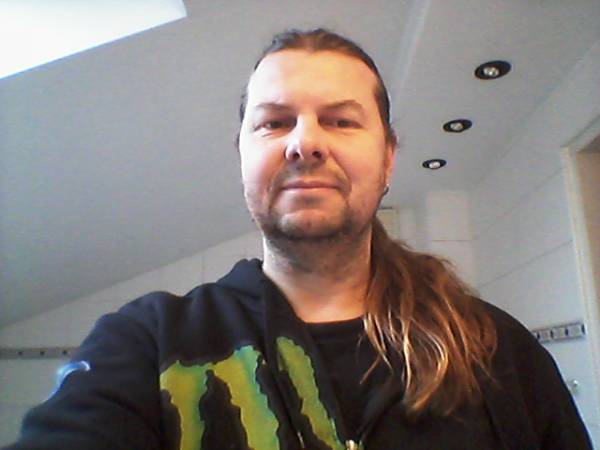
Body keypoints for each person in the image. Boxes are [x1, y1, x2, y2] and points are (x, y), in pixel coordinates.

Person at [5, 29, 592, 450]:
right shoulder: (145, 343)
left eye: (341, 120)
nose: (304, 142)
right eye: (274, 122)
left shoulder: (496, 348)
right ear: (242, 154)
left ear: (388, 159)